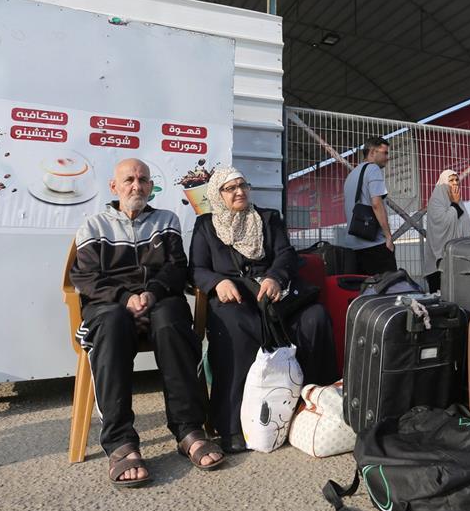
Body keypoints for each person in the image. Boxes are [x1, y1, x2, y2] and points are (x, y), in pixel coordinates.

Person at [71, 158, 221, 487]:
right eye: (129, 180)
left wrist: (151, 293)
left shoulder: (166, 221)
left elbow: (176, 268)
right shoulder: (93, 226)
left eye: (143, 180)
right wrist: (125, 297)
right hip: (111, 307)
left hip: (158, 300)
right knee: (112, 324)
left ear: (151, 186)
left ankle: (188, 429)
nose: (136, 186)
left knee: (171, 320)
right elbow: (85, 278)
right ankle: (120, 441)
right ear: (114, 186)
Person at [190, 167, 338, 453]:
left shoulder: (268, 218)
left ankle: (312, 411)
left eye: (243, 185)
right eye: (230, 188)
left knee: (315, 318)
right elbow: (196, 268)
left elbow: (285, 254)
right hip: (235, 299)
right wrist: (217, 282)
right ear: (217, 195)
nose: (239, 192)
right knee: (236, 327)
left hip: (275, 296)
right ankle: (233, 425)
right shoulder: (206, 226)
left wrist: (275, 277)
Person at [341, 137, 397, 275]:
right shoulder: (373, 169)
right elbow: (376, 203)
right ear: (372, 152)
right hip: (374, 245)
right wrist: (388, 236)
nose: (387, 157)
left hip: (353, 247)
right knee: (389, 285)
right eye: (384, 153)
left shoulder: (351, 175)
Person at [422, 169, 470, 293]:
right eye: (451, 180)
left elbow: (464, 226)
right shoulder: (436, 201)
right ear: (443, 182)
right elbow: (444, 224)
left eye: (457, 180)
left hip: (458, 262)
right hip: (439, 267)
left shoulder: (459, 202)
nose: (455, 183)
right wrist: (454, 204)